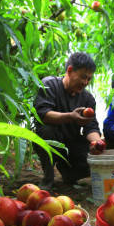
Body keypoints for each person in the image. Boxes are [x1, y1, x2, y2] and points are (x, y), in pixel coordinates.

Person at [33, 52, 103, 189]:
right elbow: (43, 114)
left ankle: (69, 173)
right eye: (83, 77)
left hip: (71, 143)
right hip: (52, 138)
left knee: (91, 161)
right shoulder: (49, 85)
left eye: (89, 79)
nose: (85, 82)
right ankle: (48, 177)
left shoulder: (88, 98)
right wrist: (70, 116)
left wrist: (97, 142)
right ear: (70, 71)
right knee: (46, 131)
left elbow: (91, 126)